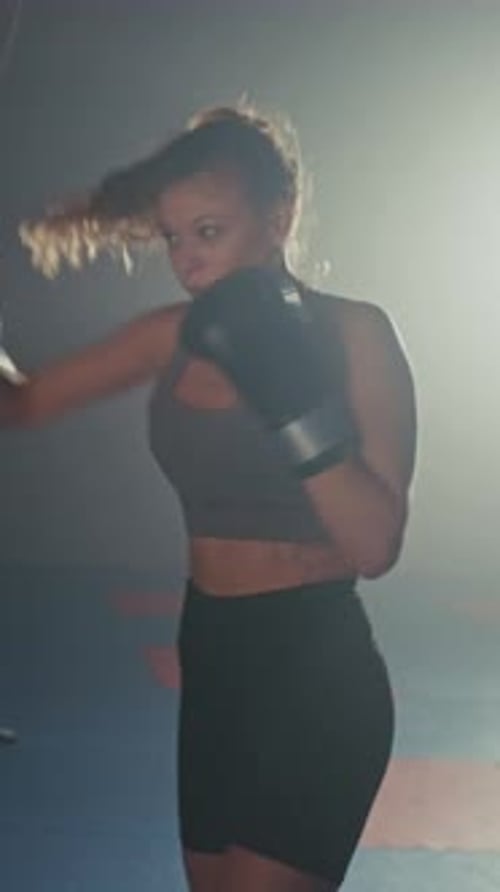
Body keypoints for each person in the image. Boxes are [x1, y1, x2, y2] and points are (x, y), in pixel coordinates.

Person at [4, 103, 416, 892]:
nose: (189, 261)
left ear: (279, 218)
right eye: (174, 238)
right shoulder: (174, 334)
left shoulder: (355, 334)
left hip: (316, 670)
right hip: (214, 658)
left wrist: (289, 398)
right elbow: (21, 404)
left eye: (210, 232)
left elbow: (376, 545)